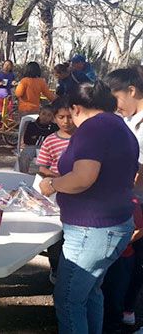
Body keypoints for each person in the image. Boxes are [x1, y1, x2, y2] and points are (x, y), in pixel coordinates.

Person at [39, 82, 137, 334]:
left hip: (92, 230)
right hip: (109, 225)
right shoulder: (119, 126)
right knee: (90, 292)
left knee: (69, 299)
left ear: (76, 108)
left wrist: (52, 184)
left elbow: (83, 178)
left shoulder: (93, 128)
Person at [105, 66, 143, 326]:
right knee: (126, 262)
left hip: (137, 201)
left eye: (116, 99)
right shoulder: (128, 120)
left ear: (131, 91)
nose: (115, 107)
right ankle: (121, 310)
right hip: (130, 201)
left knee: (136, 261)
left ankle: (127, 311)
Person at [101, 200, 143, 333]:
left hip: (121, 258)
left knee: (114, 297)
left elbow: (140, 230)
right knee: (104, 294)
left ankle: (113, 326)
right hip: (104, 255)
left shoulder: (129, 202)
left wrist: (121, 244)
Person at [36, 97, 75, 178]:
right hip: (56, 185)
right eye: (61, 117)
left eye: (70, 117)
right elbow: (43, 169)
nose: (66, 121)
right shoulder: (50, 141)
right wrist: (61, 179)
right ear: (54, 118)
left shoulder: (85, 138)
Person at [17, 105, 57, 173]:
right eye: (43, 114)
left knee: (51, 158)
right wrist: (41, 139)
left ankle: (45, 175)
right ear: (39, 113)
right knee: (25, 155)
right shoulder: (32, 125)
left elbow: (54, 140)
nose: (45, 117)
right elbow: (27, 140)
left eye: (49, 115)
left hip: (48, 148)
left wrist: (37, 138)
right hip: (33, 147)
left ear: (52, 117)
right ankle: (23, 173)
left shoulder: (54, 127)